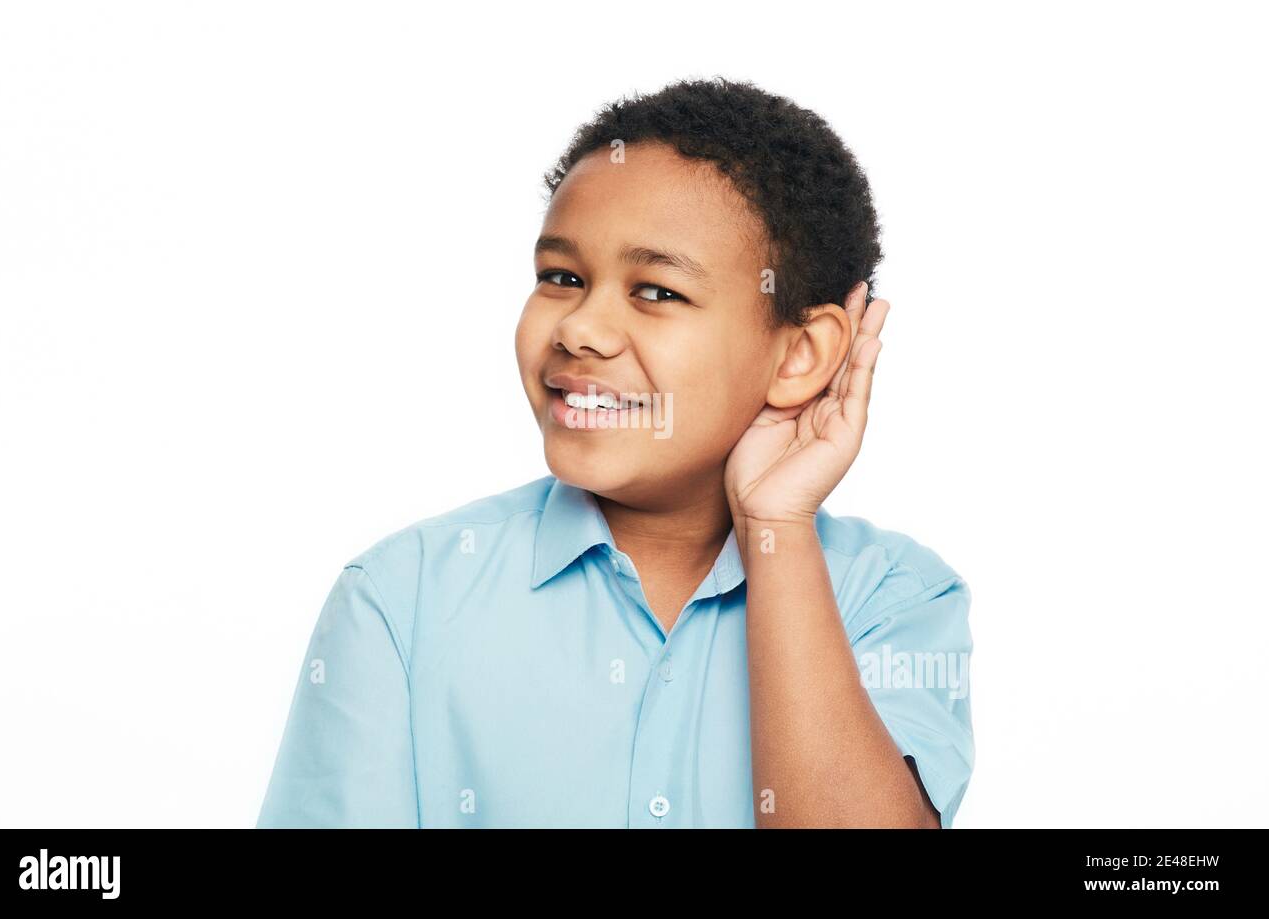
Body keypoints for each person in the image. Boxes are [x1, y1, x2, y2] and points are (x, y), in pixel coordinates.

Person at [256, 77, 974, 829]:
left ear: (800, 354)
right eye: (562, 278)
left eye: (656, 291)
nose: (580, 329)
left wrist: (779, 527)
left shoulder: (896, 597)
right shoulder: (401, 598)